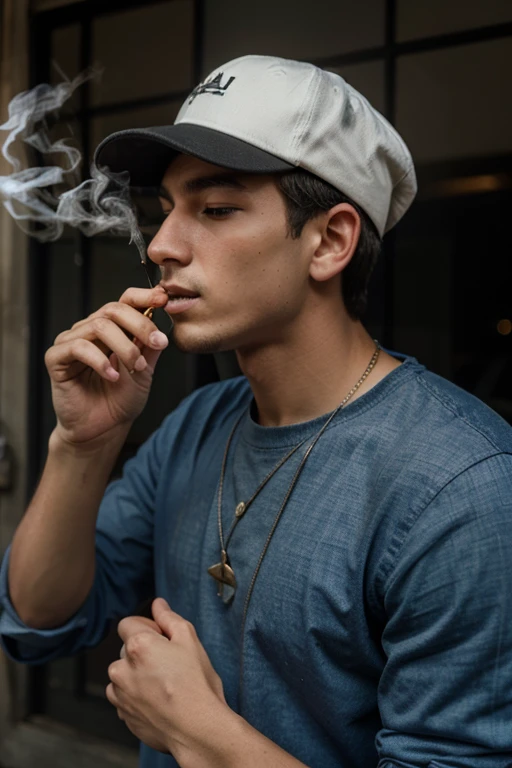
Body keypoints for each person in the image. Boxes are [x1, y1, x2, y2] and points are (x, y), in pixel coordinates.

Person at [1, 55, 511, 768]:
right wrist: (82, 444)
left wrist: (197, 734)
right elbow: (38, 622)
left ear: (330, 241)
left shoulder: (464, 488)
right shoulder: (195, 425)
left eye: (214, 209)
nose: (160, 246)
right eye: (165, 211)